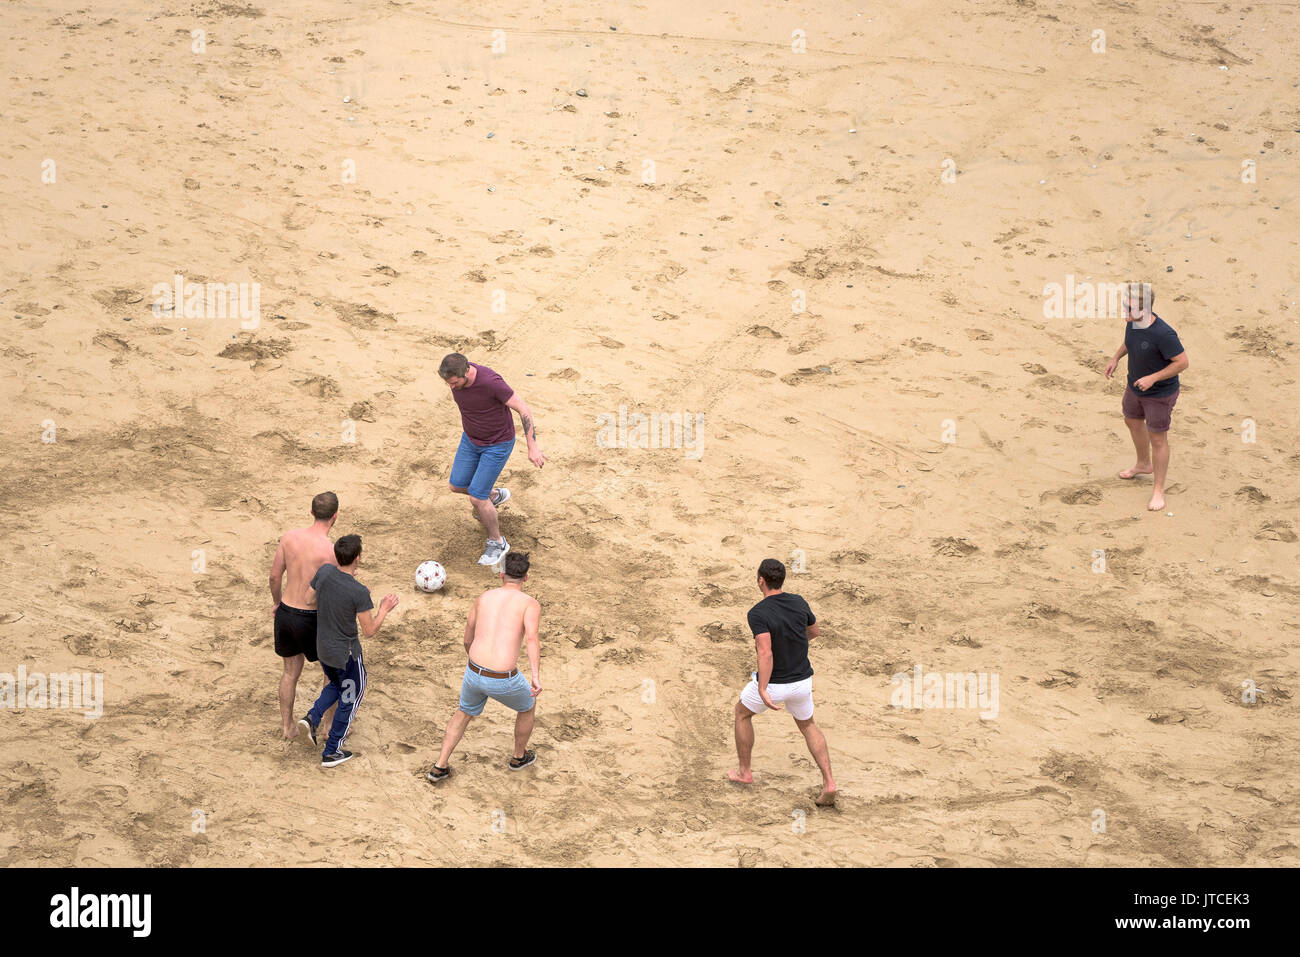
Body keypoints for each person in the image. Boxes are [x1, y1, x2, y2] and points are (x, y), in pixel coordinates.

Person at [728, 558, 837, 807]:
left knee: (742, 714)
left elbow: (765, 652)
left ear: (761, 581)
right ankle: (829, 781)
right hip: (802, 682)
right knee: (808, 725)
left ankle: (745, 772)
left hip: (776, 682)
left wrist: (763, 688)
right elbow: (813, 632)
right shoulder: (798, 602)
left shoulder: (758, 613)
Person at [427, 551, 542, 782]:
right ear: (526, 578)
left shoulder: (484, 597)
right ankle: (519, 757)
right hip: (503, 677)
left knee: (463, 713)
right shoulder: (530, 604)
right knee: (528, 705)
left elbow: (467, 638)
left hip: (474, 670)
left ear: (501, 575)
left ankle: (439, 765)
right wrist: (536, 676)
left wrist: (475, 663)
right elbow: (531, 639)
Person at [297, 534, 398, 767]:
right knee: (349, 699)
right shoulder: (358, 592)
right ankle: (332, 751)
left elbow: (309, 599)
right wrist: (383, 609)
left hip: (323, 649)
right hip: (347, 657)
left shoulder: (324, 572)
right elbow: (370, 630)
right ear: (358, 558)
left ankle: (312, 717)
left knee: (334, 684)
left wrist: (340, 597)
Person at [438, 352, 546, 567]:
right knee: (456, 485)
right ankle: (494, 496)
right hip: (470, 440)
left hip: (496, 445)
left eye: (454, 382)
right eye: (448, 383)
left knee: (477, 498)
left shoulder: (491, 382)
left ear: (466, 371)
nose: (451, 387)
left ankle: (497, 541)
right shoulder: (457, 379)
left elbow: (523, 409)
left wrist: (532, 445)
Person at [1105, 281, 1190, 511]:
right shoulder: (1134, 322)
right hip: (1135, 386)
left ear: (1145, 309)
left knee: (1158, 439)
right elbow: (1129, 342)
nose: (1125, 312)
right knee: (1131, 420)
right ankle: (1143, 464)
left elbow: (1182, 363)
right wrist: (1116, 358)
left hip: (1159, 394)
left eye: (1129, 308)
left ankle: (1158, 491)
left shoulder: (1164, 333)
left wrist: (1153, 378)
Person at [268, 492, 339, 741]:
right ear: (335, 517)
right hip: (314, 619)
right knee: (331, 674)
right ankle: (328, 725)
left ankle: (287, 726)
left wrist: (277, 603)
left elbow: (275, 577)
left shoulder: (289, 538)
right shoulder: (331, 552)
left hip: (287, 612)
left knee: (289, 673)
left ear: (311, 513)